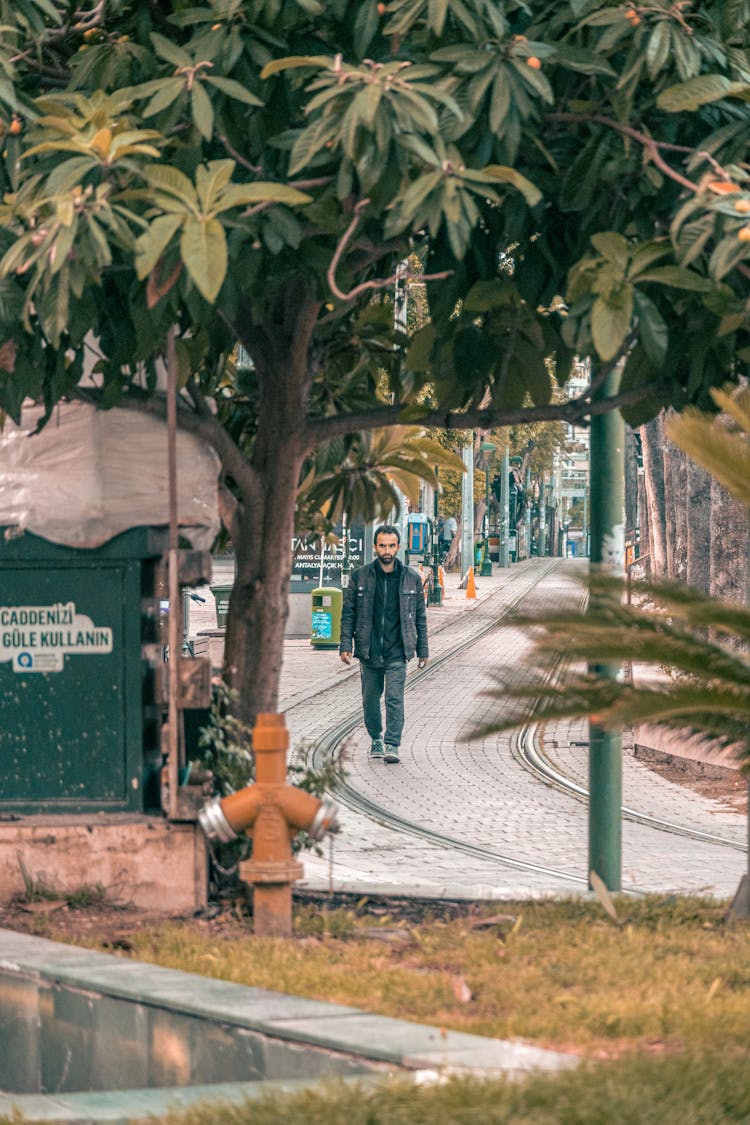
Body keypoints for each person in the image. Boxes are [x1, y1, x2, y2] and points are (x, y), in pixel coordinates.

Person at [339, 524, 429, 765]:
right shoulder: (360, 576)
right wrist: (345, 643)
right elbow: (348, 613)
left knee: (394, 698)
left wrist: (423, 650)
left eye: (391, 545)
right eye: (382, 545)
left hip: (397, 650)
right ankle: (375, 737)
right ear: (375, 547)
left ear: (398, 547)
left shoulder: (411, 578)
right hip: (368, 650)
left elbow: (420, 616)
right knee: (370, 700)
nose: (387, 550)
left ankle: (391, 743)